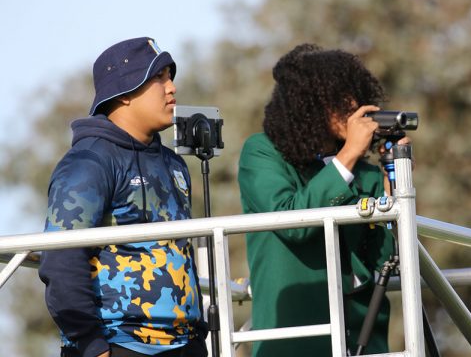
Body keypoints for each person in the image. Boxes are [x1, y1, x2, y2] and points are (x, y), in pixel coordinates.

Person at [39, 37, 208, 357]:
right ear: (124, 91)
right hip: (118, 346)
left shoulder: (174, 164)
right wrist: (92, 346)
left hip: (185, 345)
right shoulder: (88, 162)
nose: (171, 88)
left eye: (170, 77)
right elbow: (61, 262)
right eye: (159, 78)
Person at [238, 43, 411, 356]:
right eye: (338, 98)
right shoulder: (262, 153)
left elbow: (387, 259)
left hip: (364, 337)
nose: (352, 105)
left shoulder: (365, 174)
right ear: (307, 104)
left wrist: (391, 179)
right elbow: (294, 223)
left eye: (354, 95)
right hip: (297, 341)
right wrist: (347, 156)